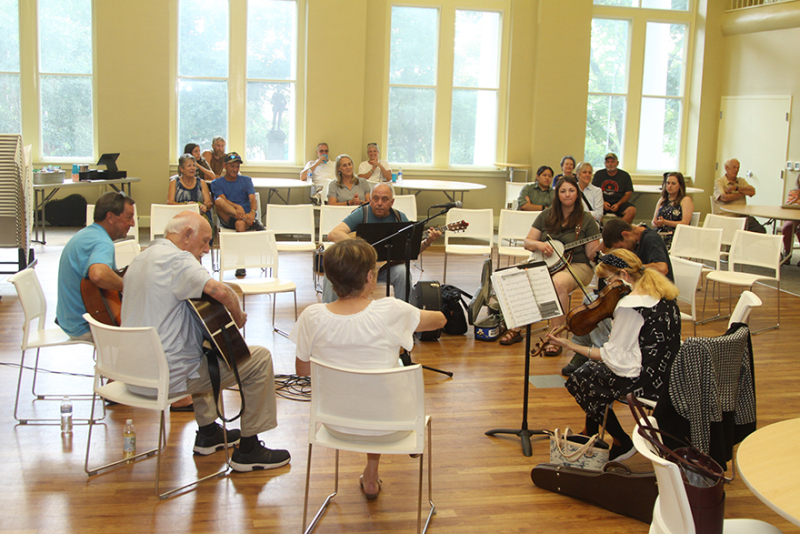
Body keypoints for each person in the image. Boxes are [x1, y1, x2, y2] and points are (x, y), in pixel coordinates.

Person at [121, 211, 291, 471]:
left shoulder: (141, 258)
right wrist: (238, 316)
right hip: (166, 379)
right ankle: (249, 449)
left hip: (133, 375)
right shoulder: (178, 260)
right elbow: (220, 291)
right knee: (258, 359)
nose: (207, 249)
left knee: (204, 348)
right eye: (205, 241)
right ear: (186, 235)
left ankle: (209, 432)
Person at [291, 238, 446, 500]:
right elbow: (439, 320)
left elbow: (303, 372)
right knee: (384, 382)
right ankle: (372, 472)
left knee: (361, 388)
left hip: (334, 425)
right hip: (391, 427)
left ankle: (370, 474)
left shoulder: (311, 316)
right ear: (370, 277)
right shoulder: (391, 310)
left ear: (329, 278)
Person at [546, 249, 681, 461]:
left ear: (624, 276)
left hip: (646, 382)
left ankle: (621, 441)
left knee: (579, 380)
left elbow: (611, 357)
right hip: (667, 374)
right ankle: (590, 432)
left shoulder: (630, 306)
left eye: (608, 279)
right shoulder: (662, 292)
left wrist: (569, 345)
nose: (606, 287)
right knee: (592, 374)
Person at [561, 217, 674, 376]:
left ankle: (602, 355)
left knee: (598, 308)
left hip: (650, 298)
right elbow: (595, 255)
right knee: (591, 300)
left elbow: (662, 268)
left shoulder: (650, 238)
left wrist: (630, 268)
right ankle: (586, 352)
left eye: (620, 247)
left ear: (626, 234)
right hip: (635, 291)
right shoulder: (631, 239)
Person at [499, 176, 601, 353]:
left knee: (558, 283)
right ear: (557, 194)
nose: (567, 195)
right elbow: (528, 242)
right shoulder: (546, 215)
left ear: (577, 194)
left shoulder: (587, 220)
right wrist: (539, 245)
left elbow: (592, 255)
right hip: (545, 264)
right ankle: (517, 328)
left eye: (571, 191)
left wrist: (603, 245)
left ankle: (556, 337)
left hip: (576, 265)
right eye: (563, 191)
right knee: (516, 275)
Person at [324, 183, 441, 303]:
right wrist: (362, 248)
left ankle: (406, 314)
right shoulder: (362, 213)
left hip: (386, 267)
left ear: (392, 202)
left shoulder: (399, 218)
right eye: (375, 199)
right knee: (332, 273)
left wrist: (428, 241)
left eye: (384, 199)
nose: (379, 203)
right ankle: (327, 314)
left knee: (403, 272)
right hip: (359, 268)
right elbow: (333, 234)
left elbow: (411, 251)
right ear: (370, 200)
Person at [56, 192, 135, 341]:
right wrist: (129, 287)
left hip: (68, 319)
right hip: (83, 325)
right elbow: (98, 274)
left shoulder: (87, 234)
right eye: (128, 217)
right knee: (149, 331)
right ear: (110, 217)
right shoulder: (102, 242)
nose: (133, 223)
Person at [211, 152, 262, 277]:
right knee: (218, 201)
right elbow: (222, 200)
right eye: (232, 166)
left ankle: (241, 263)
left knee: (240, 224)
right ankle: (252, 223)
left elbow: (252, 199)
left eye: (237, 167)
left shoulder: (246, 180)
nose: (235, 169)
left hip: (245, 217)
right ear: (225, 166)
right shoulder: (216, 183)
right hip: (228, 216)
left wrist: (252, 212)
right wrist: (237, 207)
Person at [713, 158, 765, 233]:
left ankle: (742, 244)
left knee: (760, 230)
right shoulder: (720, 182)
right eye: (734, 167)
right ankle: (738, 243)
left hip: (742, 216)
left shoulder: (741, 181)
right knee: (743, 231)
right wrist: (742, 193)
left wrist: (736, 188)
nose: (736, 170)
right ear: (727, 168)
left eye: (738, 168)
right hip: (727, 217)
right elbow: (724, 197)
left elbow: (752, 192)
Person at [651, 171, 694, 249]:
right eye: (668, 183)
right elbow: (653, 222)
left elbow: (685, 223)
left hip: (675, 235)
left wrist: (665, 222)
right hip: (660, 232)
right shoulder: (662, 200)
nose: (670, 186)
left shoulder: (685, 200)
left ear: (680, 185)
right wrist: (658, 223)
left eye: (673, 183)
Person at [168, 153, 214, 224]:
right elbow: (170, 203)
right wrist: (187, 207)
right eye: (189, 166)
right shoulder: (174, 182)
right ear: (181, 169)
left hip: (199, 216)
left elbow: (209, 202)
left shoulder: (201, 182)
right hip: (180, 217)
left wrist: (205, 206)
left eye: (194, 165)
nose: (192, 168)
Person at [592, 152, 636, 223]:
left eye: (612, 162)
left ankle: (618, 230)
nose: (610, 164)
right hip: (601, 202)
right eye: (608, 162)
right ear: (605, 163)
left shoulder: (625, 175)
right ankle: (601, 230)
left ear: (617, 163)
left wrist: (618, 204)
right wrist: (602, 202)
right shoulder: (599, 174)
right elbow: (593, 191)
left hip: (619, 203)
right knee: (592, 209)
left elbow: (628, 193)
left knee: (632, 210)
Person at [781, 175, 800, 263]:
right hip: (793, 218)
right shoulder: (793, 192)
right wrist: (796, 199)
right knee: (787, 227)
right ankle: (787, 253)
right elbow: (787, 207)